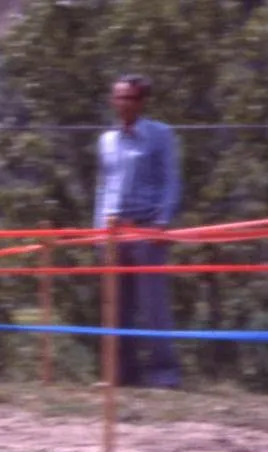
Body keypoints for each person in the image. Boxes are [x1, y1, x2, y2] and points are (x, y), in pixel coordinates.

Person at [94, 74, 181, 390]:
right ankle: (122, 374)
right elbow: (104, 187)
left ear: (142, 101)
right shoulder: (107, 140)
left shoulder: (160, 135)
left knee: (153, 305)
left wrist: (162, 222)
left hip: (146, 229)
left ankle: (164, 374)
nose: (122, 104)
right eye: (118, 97)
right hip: (113, 232)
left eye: (129, 98)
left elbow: (171, 181)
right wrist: (98, 230)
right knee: (116, 306)